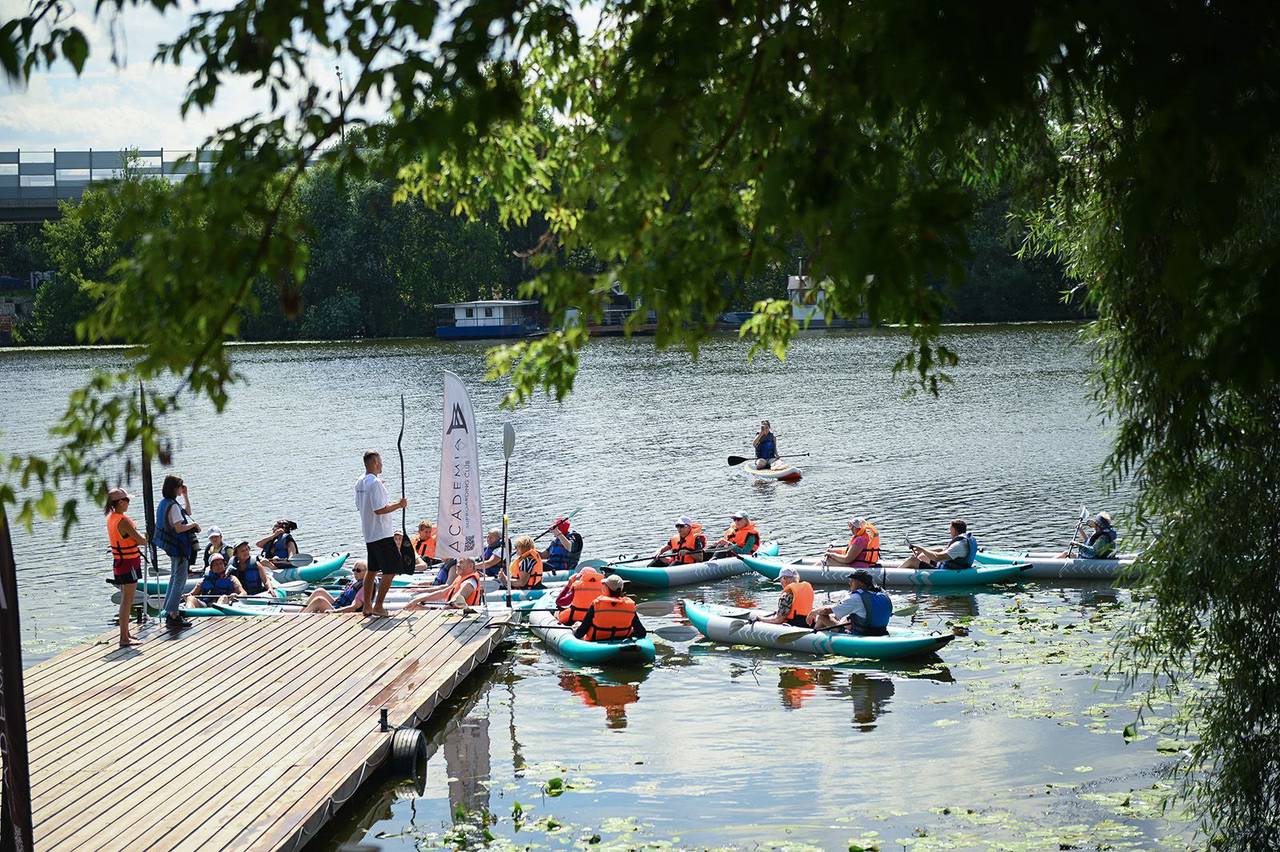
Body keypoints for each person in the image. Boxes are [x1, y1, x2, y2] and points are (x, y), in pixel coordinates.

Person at [355, 450, 408, 617]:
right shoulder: (375, 483)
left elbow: (361, 505)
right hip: (382, 533)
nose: (382, 464)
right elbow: (379, 510)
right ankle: (378, 605)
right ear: (376, 463)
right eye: (381, 461)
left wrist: (379, 489)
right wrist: (399, 505)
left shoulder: (360, 481)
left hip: (369, 532)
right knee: (391, 569)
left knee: (372, 570)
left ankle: (367, 606)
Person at [155, 474, 200, 631]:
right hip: (179, 548)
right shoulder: (172, 506)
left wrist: (186, 496)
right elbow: (179, 527)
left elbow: (187, 511)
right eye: (180, 486)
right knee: (179, 580)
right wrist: (193, 525)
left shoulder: (166, 503)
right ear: (174, 488)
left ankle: (170, 610)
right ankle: (173, 615)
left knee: (174, 578)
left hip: (172, 548)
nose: (182, 488)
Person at [105, 487, 146, 647]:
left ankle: (126, 634)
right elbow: (140, 540)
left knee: (125, 599)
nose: (129, 503)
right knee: (127, 600)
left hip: (119, 563)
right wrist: (147, 537)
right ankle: (124, 638)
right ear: (120, 502)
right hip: (128, 564)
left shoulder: (112, 518)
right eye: (127, 500)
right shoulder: (123, 521)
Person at [809, 569, 892, 636]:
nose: (850, 583)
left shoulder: (855, 597)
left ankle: (813, 637)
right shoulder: (883, 595)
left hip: (863, 635)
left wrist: (814, 611)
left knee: (822, 617)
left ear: (861, 583)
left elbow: (826, 611)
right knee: (847, 618)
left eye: (853, 580)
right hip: (881, 633)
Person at [574, 575, 647, 642]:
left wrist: (574, 632)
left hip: (596, 641)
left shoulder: (597, 604)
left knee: (577, 625)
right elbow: (641, 633)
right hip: (621, 639)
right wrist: (631, 634)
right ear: (621, 589)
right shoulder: (630, 606)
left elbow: (581, 632)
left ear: (606, 588)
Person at [405, 557, 485, 610]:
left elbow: (458, 599)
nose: (457, 565)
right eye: (457, 563)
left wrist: (439, 610)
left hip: (462, 616)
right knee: (416, 606)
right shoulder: (460, 577)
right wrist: (418, 599)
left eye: (461, 563)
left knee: (417, 608)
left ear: (470, 566)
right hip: (451, 610)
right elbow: (443, 592)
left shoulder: (470, 581)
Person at [897, 519, 976, 571]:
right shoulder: (962, 542)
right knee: (921, 556)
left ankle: (894, 574)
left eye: (950, 530)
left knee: (912, 560)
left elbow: (937, 557)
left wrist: (922, 549)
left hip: (944, 571)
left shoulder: (958, 545)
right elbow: (942, 550)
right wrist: (923, 552)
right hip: (947, 566)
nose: (950, 532)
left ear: (955, 531)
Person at [749, 566, 814, 627]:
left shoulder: (786, 595)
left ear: (784, 578)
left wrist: (760, 618)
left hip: (794, 625)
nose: (781, 583)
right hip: (809, 624)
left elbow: (778, 620)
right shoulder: (807, 588)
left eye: (780, 580)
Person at [301, 560, 369, 613]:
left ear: (366, 572)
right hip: (339, 605)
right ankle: (300, 613)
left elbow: (354, 607)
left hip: (343, 612)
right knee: (319, 591)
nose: (355, 573)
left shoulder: (364, 587)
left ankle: (301, 618)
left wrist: (335, 611)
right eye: (354, 570)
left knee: (319, 600)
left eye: (358, 570)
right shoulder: (356, 582)